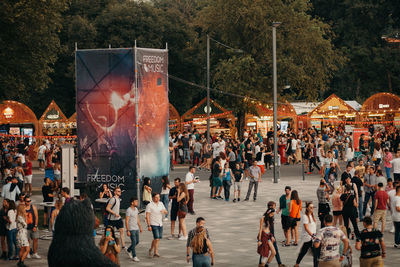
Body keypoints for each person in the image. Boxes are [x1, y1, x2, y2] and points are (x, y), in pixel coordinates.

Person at [294, 202, 318, 267]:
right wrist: (312, 235)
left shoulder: (312, 216)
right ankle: (297, 264)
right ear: (307, 208)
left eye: (313, 207)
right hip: (308, 238)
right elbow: (306, 228)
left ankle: (296, 264)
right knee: (304, 252)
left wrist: (315, 235)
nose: (312, 209)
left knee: (315, 255)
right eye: (311, 207)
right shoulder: (305, 216)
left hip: (312, 238)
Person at [145, 193, 167, 258]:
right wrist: (149, 225)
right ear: (153, 198)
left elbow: (166, 211)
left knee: (157, 238)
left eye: (158, 197)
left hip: (160, 223)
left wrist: (164, 211)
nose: (158, 199)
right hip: (153, 223)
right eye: (156, 197)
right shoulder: (149, 205)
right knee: (156, 238)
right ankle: (155, 252)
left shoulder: (161, 204)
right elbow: (147, 215)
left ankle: (151, 249)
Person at [125, 197, 142, 262]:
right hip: (131, 229)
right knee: (134, 242)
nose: (137, 203)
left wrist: (140, 226)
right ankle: (134, 256)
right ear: (132, 202)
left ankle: (129, 250)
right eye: (136, 202)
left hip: (136, 228)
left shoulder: (136, 209)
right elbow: (126, 221)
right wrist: (128, 230)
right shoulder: (128, 210)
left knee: (137, 242)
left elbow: (137, 218)